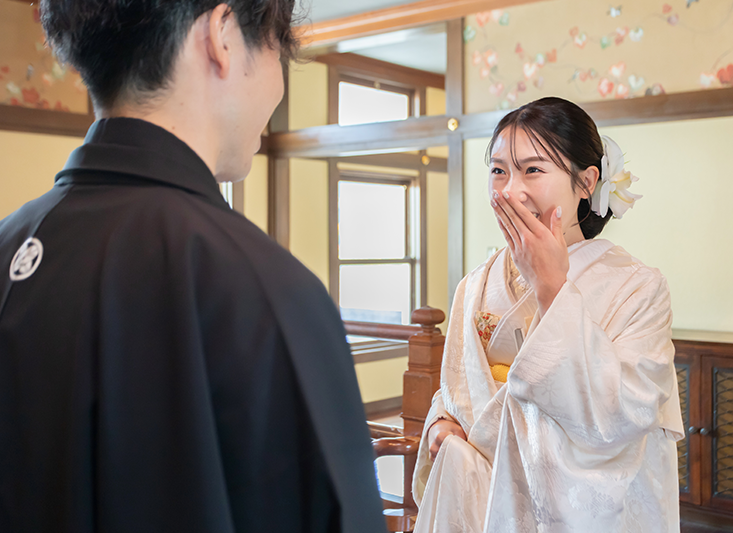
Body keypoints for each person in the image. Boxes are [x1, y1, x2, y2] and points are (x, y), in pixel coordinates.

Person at [0, 2, 386, 532]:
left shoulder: (9, 244)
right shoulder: (270, 291)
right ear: (222, 34)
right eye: (277, 51)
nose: (278, 86)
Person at [411, 97, 684, 533]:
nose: (509, 191)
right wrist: (440, 425)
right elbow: (455, 387)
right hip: (476, 498)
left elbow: (627, 413)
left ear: (586, 182)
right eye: (498, 170)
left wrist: (553, 287)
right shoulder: (475, 284)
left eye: (533, 170)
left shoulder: (638, 287)